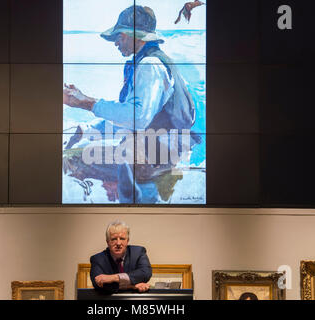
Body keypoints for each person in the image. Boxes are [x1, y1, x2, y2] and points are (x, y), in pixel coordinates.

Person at [63, 5, 199, 204]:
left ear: (137, 36)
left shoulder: (148, 66)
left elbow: (138, 118)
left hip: (156, 158)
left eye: (120, 36)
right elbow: (133, 117)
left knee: (72, 158)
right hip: (160, 151)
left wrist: (87, 103)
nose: (116, 42)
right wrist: (88, 129)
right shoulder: (157, 62)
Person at [90, 220, 152, 293]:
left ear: (127, 240)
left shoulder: (138, 252)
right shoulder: (97, 259)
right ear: (107, 241)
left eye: (122, 239)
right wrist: (132, 286)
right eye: (114, 239)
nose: (118, 243)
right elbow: (98, 284)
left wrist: (114, 278)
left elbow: (145, 273)